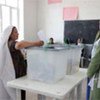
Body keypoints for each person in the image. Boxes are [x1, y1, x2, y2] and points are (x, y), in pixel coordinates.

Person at [0, 26, 44, 100]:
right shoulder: (11, 43)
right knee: (18, 95)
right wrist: (36, 43)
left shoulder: (10, 44)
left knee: (20, 94)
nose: (18, 33)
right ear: (10, 34)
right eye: (16, 32)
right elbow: (18, 45)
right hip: (16, 76)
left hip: (19, 75)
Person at [87, 30, 100, 100]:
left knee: (96, 95)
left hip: (97, 74)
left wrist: (89, 73)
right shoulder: (98, 34)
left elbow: (97, 59)